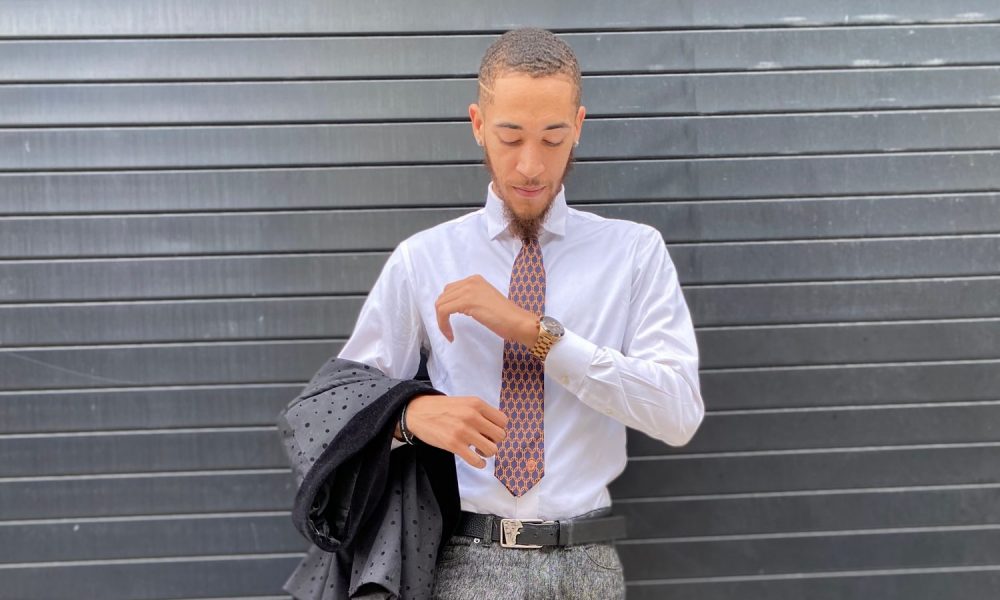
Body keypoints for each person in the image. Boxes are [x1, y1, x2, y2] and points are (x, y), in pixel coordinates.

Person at [337, 27, 704, 599]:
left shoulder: (634, 253)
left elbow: (677, 415)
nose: (531, 166)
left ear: (578, 126)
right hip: (463, 562)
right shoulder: (423, 259)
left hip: (587, 565)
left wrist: (535, 333)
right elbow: (341, 415)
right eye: (510, 137)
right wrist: (408, 419)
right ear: (478, 125)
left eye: (553, 138)